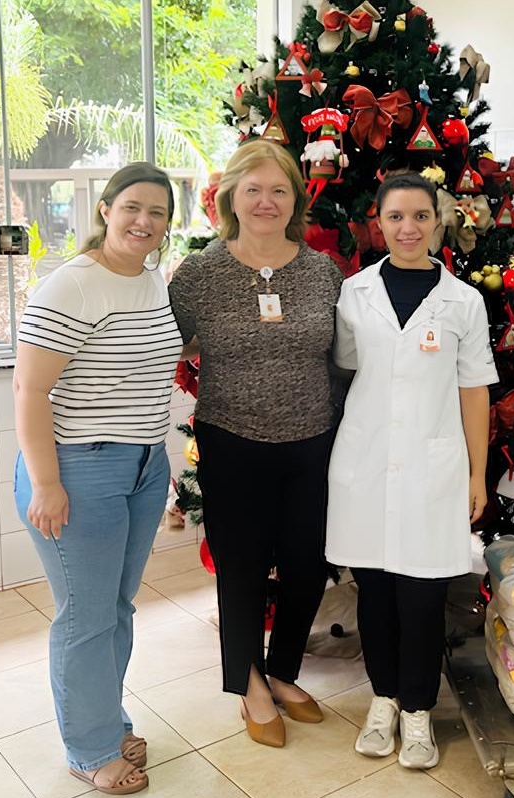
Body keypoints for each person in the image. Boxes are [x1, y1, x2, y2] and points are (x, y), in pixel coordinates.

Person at [13, 162, 181, 795]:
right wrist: (47, 483)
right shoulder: (72, 286)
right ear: (106, 209)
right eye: (133, 207)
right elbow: (29, 390)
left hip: (141, 463)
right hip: (76, 468)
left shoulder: (150, 281)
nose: (144, 221)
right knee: (85, 616)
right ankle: (88, 749)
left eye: (158, 213)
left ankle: (107, 722)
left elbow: (146, 359)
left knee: (115, 607)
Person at [169, 141, 343, 748]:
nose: (266, 202)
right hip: (232, 438)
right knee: (240, 570)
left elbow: (345, 359)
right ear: (230, 199)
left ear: (296, 198)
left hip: (313, 439)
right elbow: (164, 343)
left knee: (305, 566)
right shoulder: (199, 274)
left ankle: (283, 670)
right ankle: (248, 682)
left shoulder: (323, 271)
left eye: (278, 190)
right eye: (253, 190)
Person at [326, 172, 497, 769]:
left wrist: (478, 476)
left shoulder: (463, 301)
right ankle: (383, 701)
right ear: (379, 223)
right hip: (366, 461)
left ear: (439, 221)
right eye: (396, 217)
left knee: (423, 595)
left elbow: (474, 392)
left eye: (421, 216)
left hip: (433, 466)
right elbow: (350, 367)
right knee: (374, 592)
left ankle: (419, 711)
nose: (408, 228)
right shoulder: (354, 293)